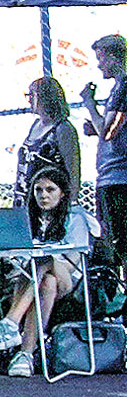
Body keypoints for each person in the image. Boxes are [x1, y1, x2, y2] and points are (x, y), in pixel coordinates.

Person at [0, 165, 86, 376]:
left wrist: (40, 264)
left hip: (66, 277)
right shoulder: (25, 220)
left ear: (62, 193)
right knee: (46, 283)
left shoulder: (75, 218)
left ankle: (10, 323)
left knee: (43, 259)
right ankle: (25, 355)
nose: (43, 195)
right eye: (38, 190)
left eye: (50, 190)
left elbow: (72, 264)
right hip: (30, 278)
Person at [78, 37, 127, 254]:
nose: (99, 65)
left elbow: (107, 131)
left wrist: (89, 103)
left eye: (101, 58)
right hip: (112, 176)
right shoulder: (118, 88)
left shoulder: (123, 88)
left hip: (118, 178)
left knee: (117, 242)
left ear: (114, 58)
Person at [18, 78, 81, 207]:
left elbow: (73, 170)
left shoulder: (62, 128)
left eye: (32, 95)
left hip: (49, 200)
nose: (29, 100)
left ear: (45, 97)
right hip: (27, 198)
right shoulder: (35, 125)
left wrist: (71, 202)